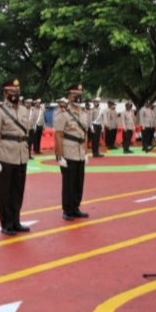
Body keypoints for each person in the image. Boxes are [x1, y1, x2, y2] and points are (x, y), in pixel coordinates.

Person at [0, 78, 31, 236]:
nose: (15, 94)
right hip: (5, 156)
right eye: (12, 91)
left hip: (21, 154)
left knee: (17, 190)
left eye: (17, 91)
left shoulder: (23, 110)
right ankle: (6, 223)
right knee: (4, 192)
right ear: (5, 93)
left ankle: (15, 220)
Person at [54, 84, 90, 221]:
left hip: (80, 151)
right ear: (69, 97)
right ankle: (67, 209)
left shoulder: (84, 114)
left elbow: (85, 134)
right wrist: (60, 156)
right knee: (69, 183)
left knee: (78, 182)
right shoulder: (63, 114)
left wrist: (86, 153)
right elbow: (58, 136)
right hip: (68, 152)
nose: (78, 97)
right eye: (75, 95)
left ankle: (75, 207)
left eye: (79, 94)